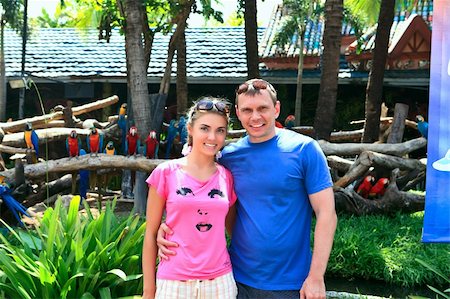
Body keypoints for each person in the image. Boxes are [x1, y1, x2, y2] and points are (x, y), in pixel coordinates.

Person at [157, 79, 337, 299]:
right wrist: (166, 229)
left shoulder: (304, 149)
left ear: (277, 108)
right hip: (236, 279)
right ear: (238, 113)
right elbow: (200, 199)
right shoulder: (229, 158)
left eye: (263, 108)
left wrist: (316, 277)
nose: (255, 117)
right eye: (247, 110)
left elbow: (326, 213)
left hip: (291, 283)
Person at [142, 97, 238, 299]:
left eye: (220, 130)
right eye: (205, 128)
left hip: (220, 283)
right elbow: (150, 235)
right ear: (190, 129)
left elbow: (234, 230)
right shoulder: (165, 173)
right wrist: (148, 292)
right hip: (174, 283)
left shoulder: (227, 177)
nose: (212, 137)